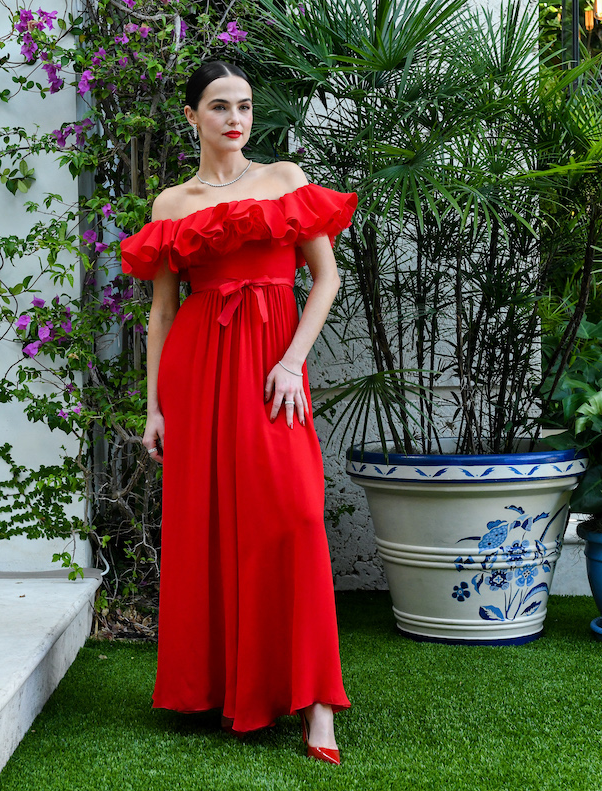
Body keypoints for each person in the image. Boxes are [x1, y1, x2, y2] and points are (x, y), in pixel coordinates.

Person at [120, 60, 356, 765]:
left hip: (272, 370)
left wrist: (292, 360)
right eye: (220, 106)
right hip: (198, 371)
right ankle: (226, 688)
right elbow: (161, 312)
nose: (236, 118)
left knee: (295, 512)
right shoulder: (172, 204)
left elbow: (326, 277)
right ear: (191, 116)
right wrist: (153, 406)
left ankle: (318, 704)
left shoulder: (284, 179)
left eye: (245, 106)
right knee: (215, 518)